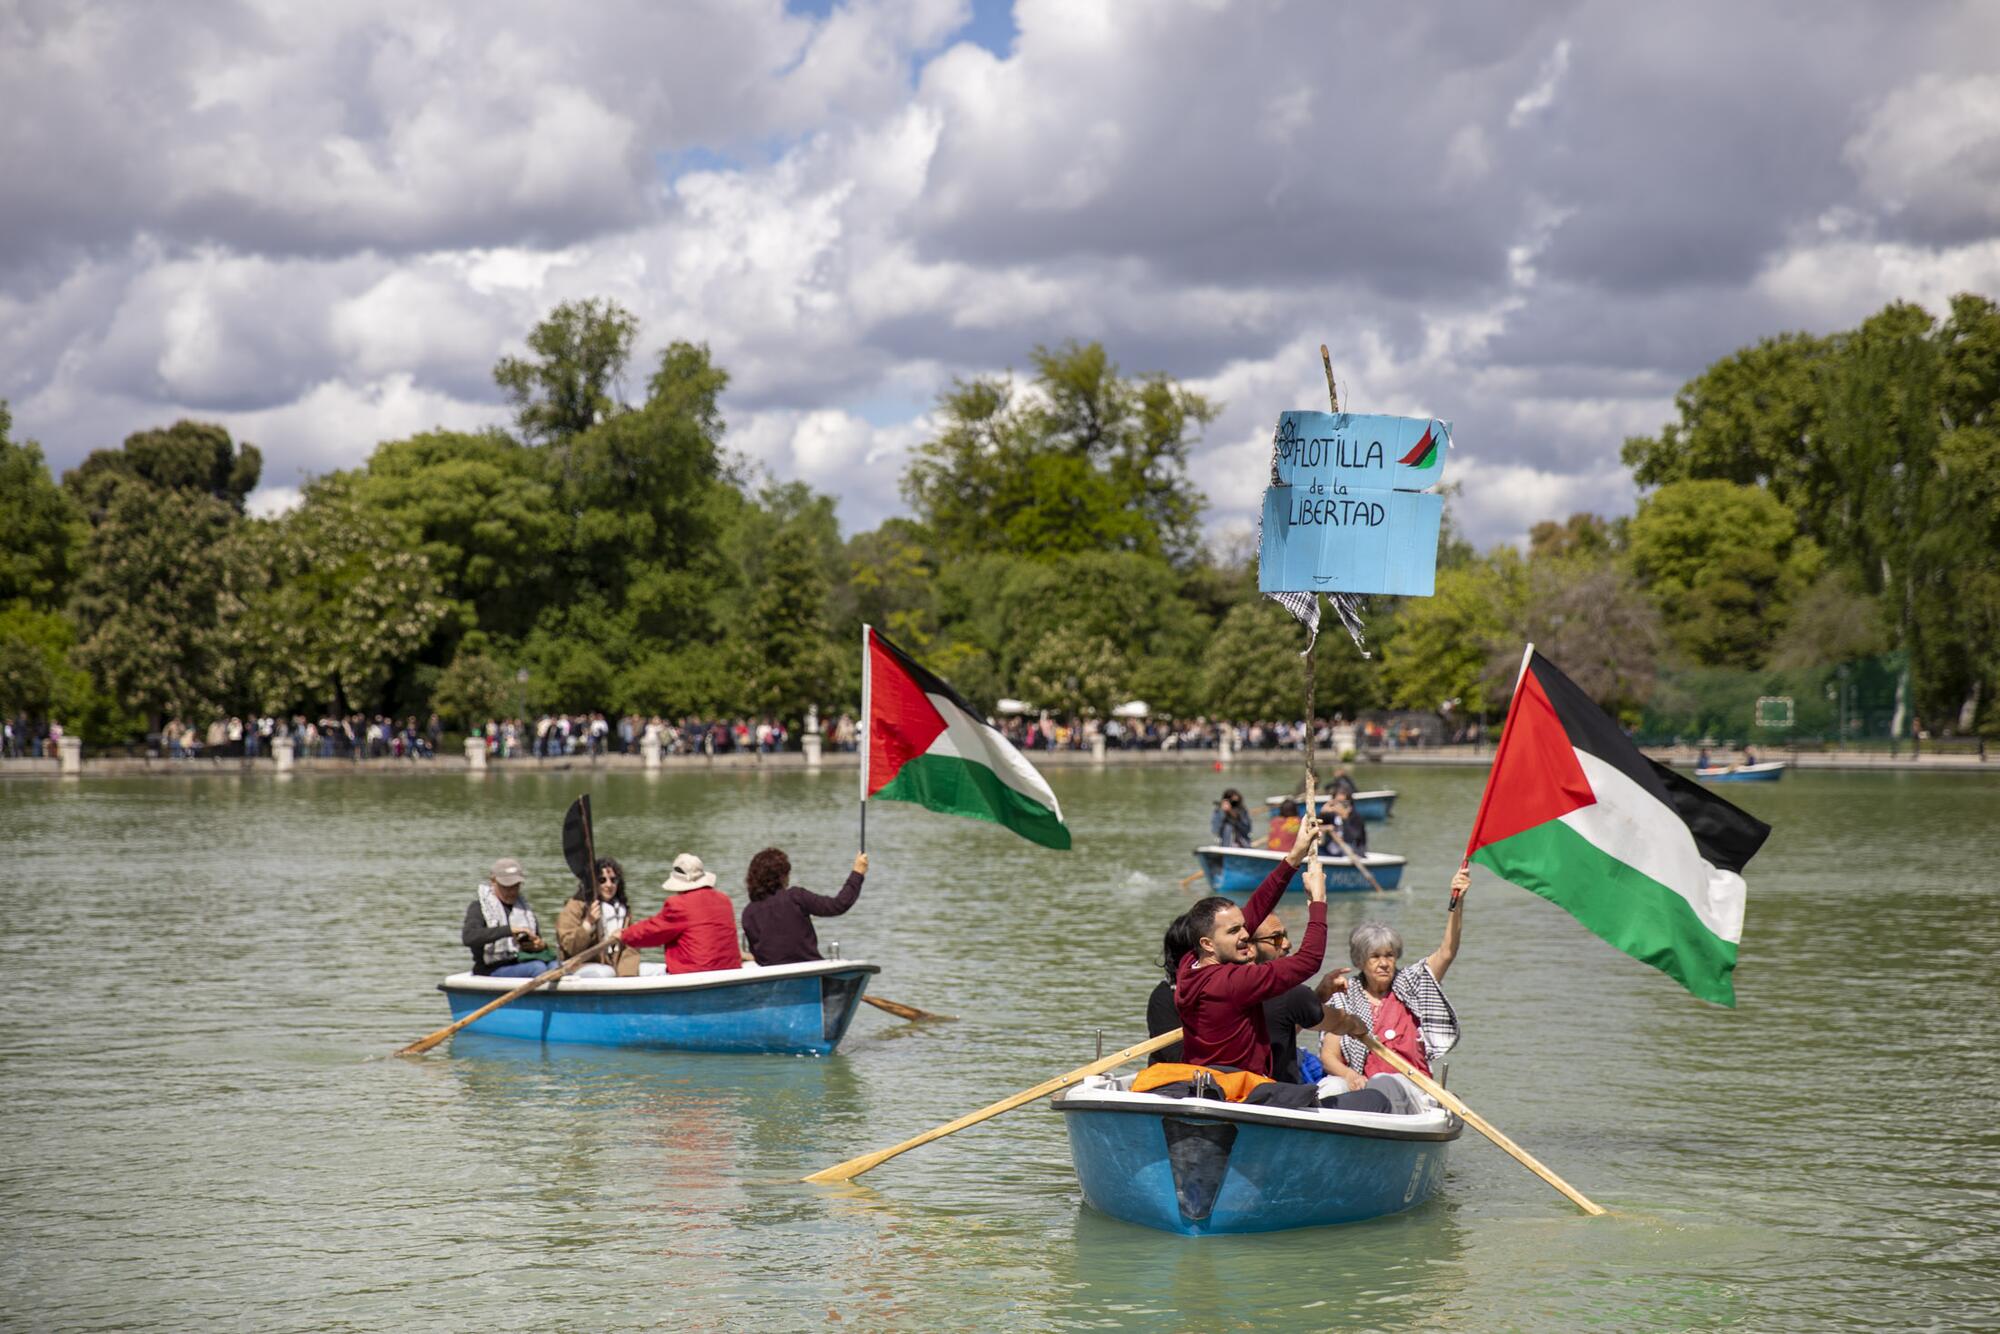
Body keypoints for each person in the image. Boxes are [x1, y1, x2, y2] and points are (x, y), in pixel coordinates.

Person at [1320, 864, 1473, 1088]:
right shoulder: (1345, 996)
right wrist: (1350, 1076)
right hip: (1362, 1086)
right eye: (1375, 957)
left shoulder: (1410, 984)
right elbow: (1328, 1055)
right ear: (1360, 961)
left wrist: (1457, 903)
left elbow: (1447, 952)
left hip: (1409, 1087)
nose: (1384, 963)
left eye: (1389, 955)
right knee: (1330, 1088)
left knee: (1385, 1084)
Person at [610, 854, 741, 974]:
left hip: (694, 973)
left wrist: (625, 935)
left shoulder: (679, 904)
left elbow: (653, 931)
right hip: (729, 971)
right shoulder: (724, 900)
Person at [742, 849, 867, 966]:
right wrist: (858, 872)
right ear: (781, 877)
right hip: (810, 970)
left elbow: (759, 957)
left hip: (774, 979)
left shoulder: (748, 914)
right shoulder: (796, 897)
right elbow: (838, 905)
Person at [460, 857, 553, 977]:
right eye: (506, 887)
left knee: (555, 966)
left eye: (515, 886)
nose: (512, 892)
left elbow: (537, 940)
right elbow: (469, 937)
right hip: (490, 969)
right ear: (493, 881)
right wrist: (509, 930)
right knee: (537, 968)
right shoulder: (478, 908)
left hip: (521, 961)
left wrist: (539, 946)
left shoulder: (524, 909)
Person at [556, 857, 640, 977]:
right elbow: (570, 948)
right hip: (579, 966)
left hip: (614, 967)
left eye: (613, 880)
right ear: (593, 882)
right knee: (605, 972)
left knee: (654, 970)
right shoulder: (575, 906)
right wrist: (588, 923)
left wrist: (626, 977)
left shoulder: (623, 910)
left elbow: (631, 949)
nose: (609, 885)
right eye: (602, 880)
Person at [1322, 792, 1367, 857]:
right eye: (1336, 802)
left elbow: (1352, 838)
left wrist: (1344, 818)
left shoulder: (1356, 818)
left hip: (1353, 851)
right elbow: (1314, 825)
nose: (1339, 805)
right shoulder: (1331, 815)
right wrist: (1322, 812)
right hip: (1332, 851)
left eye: (1343, 803)